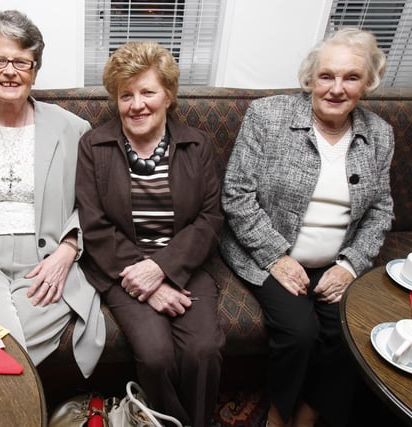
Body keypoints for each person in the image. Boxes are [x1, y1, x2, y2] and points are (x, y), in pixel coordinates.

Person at [221, 28, 393, 427]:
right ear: (310, 79)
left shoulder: (380, 135)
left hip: (337, 260)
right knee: (299, 333)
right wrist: (276, 257)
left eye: (351, 77)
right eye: (326, 76)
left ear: (366, 84)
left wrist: (350, 266)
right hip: (266, 255)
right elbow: (236, 194)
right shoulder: (269, 116)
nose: (336, 88)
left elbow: (381, 211)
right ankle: (278, 413)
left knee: (349, 332)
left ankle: (309, 413)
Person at [0, 10, 105, 377]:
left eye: (21, 61)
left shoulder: (72, 129)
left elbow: (92, 204)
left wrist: (68, 250)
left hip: (47, 261)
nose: (9, 71)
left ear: (35, 68)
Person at [76, 40, 225, 427]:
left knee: (203, 349)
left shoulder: (197, 144)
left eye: (147, 92)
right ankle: (168, 422)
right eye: (126, 95)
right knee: (156, 354)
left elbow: (210, 219)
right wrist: (147, 281)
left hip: (187, 263)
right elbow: (94, 225)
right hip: (120, 268)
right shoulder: (94, 146)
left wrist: (161, 269)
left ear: (169, 96)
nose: (136, 104)